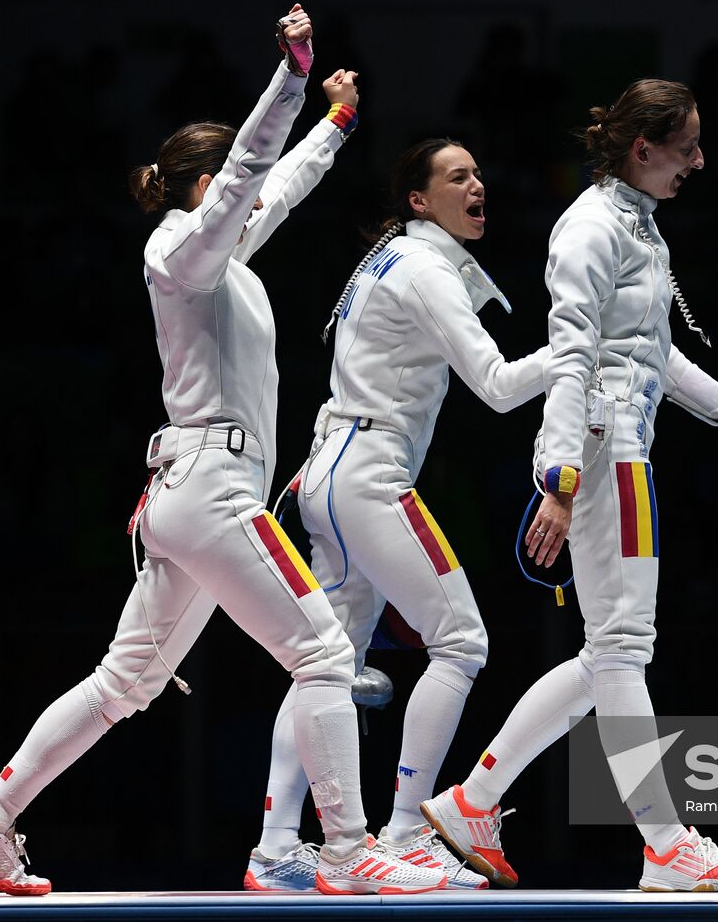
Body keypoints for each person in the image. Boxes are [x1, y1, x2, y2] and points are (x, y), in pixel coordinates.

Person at [0, 9, 447, 897]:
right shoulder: (176, 251)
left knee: (125, 680)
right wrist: (290, 79)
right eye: (230, 190)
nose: (247, 203)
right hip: (212, 490)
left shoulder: (221, 258)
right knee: (323, 653)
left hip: (192, 492)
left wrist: (334, 125)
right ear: (207, 186)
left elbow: (274, 187)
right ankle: (347, 848)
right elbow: (253, 169)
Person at [421, 79, 718, 892]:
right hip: (601, 449)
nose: (699, 159)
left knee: (604, 656)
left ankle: (474, 802)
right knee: (624, 649)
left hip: (621, 447)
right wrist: (558, 477)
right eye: (687, 145)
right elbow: (574, 354)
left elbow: (649, 354)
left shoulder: (639, 227)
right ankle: (664, 842)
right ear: (643, 147)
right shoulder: (588, 228)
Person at [244, 138, 548, 891]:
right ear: (417, 200)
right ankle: (409, 828)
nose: (478, 184)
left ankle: (276, 846)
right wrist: (579, 349)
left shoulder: (394, 260)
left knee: (327, 663)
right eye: (457, 176)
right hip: (369, 475)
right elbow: (500, 384)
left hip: (331, 467)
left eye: (479, 172)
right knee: (462, 641)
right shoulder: (421, 268)